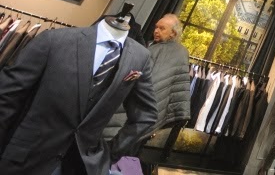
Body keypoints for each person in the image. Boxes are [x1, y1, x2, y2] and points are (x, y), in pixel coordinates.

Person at [0, 17, 157, 174]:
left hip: (84, 166)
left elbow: (145, 115)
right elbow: (8, 96)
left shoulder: (140, 56)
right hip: (25, 157)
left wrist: (111, 152)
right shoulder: (54, 40)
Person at [104, 15, 190, 153]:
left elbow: (157, 83)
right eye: (156, 27)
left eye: (162, 28)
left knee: (124, 148)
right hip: (136, 105)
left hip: (143, 109)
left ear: (173, 33)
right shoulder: (154, 47)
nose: (156, 31)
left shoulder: (177, 52)